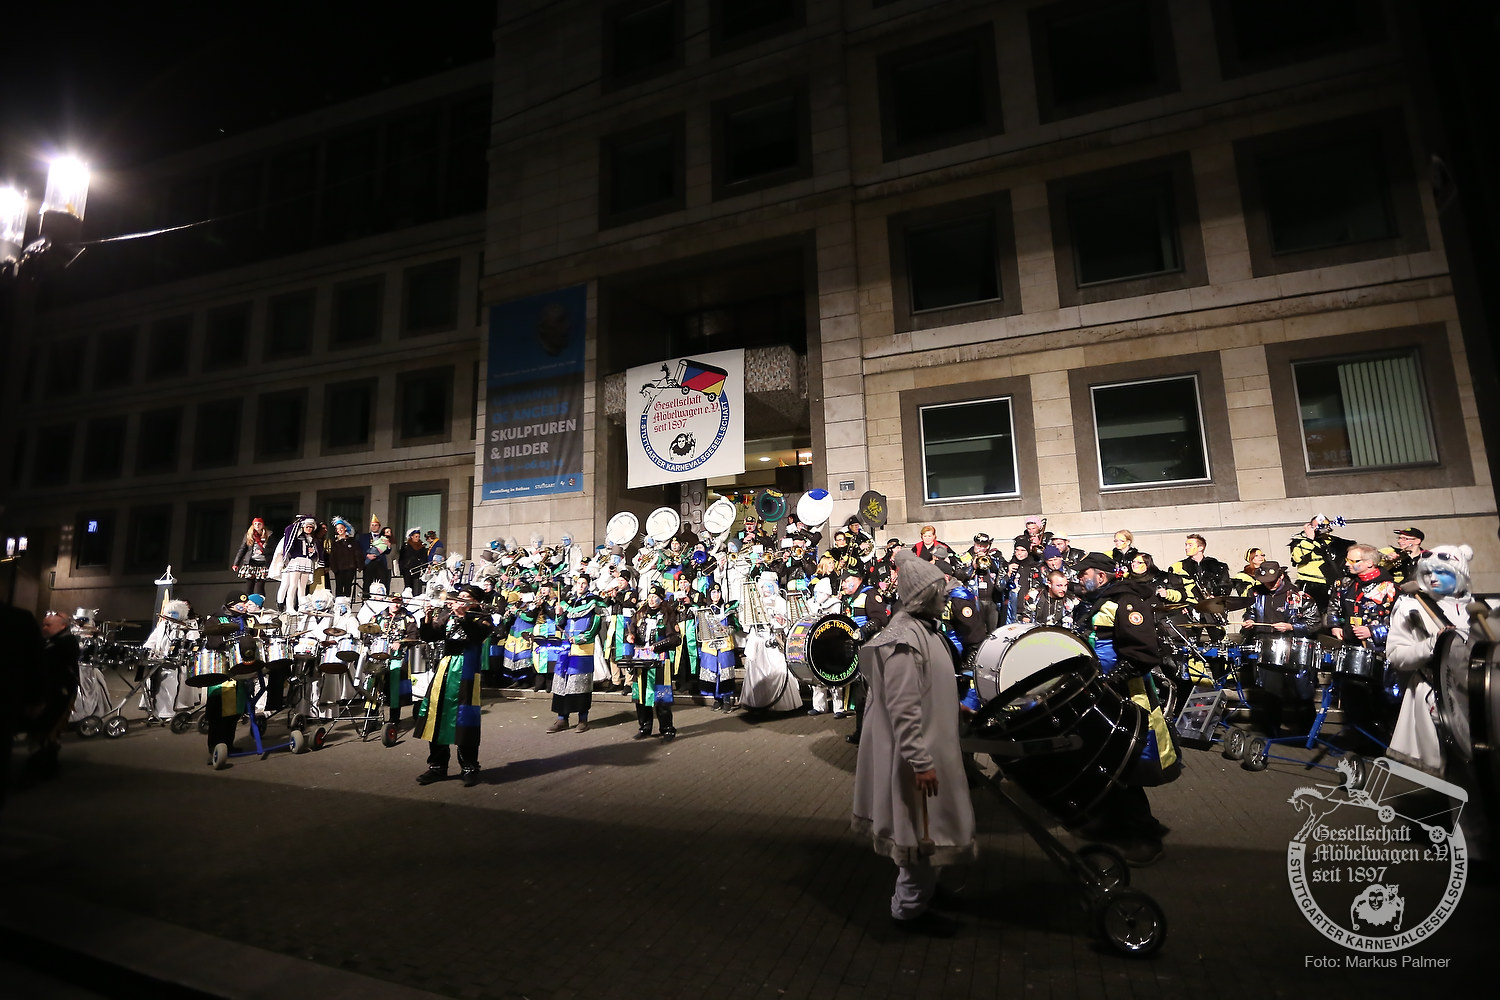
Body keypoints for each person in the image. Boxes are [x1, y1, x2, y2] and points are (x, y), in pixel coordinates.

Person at [851, 548, 977, 937]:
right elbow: (903, 708)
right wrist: (920, 762)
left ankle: (925, 893)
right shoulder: (904, 640)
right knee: (917, 831)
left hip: (929, 745)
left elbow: (928, 686)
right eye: (940, 592)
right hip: (914, 756)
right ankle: (907, 909)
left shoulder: (924, 630)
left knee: (929, 827)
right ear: (925, 596)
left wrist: (953, 704)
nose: (945, 598)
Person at [1072, 551, 1179, 866]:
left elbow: (1143, 654)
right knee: (1109, 768)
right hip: (1105, 697)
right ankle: (1119, 826)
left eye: (1084, 574)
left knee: (1127, 770)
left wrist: (1109, 681)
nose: (1079, 579)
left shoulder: (1125, 602)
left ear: (1101, 576)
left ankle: (1146, 839)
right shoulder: (1097, 602)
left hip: (1128, 698)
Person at [414, 584, 491, 787]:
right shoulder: (448, 616)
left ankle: (469, 767)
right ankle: (437, 767)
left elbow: (476, 636)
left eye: (466, 597)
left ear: (474, 602)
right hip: (445, 669)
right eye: (460, 595)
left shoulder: (482, 618)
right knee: (437, 715)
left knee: (465, 719)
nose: (459, 599)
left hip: (467, 672)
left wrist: (462, 616)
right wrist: (428, 616)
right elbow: (429, 636)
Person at [1240, 561, 1321, 737]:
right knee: (1271, 695)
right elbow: (1250, 612)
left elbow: (1315, 623)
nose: (1268, 585)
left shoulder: (1299, 595)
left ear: (1281, 576)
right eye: (1265, 582)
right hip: (1268, 649)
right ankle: (1272, 734)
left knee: (1302, 695)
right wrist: (1249, 621)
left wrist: (1291, 627)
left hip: (1295, 650)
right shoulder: (1255, 593)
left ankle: (1307, 735)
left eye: (1272, 581)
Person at [23, 611, 80, 783]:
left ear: (62, 626)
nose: (44, 628)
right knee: (43, 731)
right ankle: (45, 764)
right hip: (49, 691)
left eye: (48, 625)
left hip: (58, 693)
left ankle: (44, 767)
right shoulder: (51, 641)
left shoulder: (66, 643)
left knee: (46, 730)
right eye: (44, 624)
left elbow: (50, 665)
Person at [547, 577, 603, 733]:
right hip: (566, 648)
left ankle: (583, 719)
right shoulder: (569, 601)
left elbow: (595, 626)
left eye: (584, 583)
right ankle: (562, 719)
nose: (581, 585)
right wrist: (559, 614)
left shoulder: (594, 602)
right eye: (579, 583)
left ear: (588, 586)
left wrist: (579, 638)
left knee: (580, 685)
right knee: (562, 683)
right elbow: (560, 623)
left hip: (582, 650)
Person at [625, 584, 679, 739]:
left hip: (659, 660)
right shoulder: (640, 614)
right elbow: (630, 630)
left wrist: (657, 646)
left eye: (655, 597)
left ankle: (667, 729)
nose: (651, 600)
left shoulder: (668, 615)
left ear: (661, 599)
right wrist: (630, 636)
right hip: (641, 659)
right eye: (649, 597)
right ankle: (644, 727)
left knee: (661, 697)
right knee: (641, 696)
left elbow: (675, 639)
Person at [1288, 514, 1352, 614]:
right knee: (1310, 614)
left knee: (1335, 614)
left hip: (1333, 585)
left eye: (1324, 525)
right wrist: (1310, 539)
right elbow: (1298, 558)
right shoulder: (1300, 542)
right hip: (1310, 585)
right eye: (1317, 525)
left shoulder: (1338, 543)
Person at [268, 516, 323, 613]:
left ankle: (302, 606)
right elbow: (289, 545)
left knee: (302, 587)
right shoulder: (296, 538)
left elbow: (315, 555)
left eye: (311, 527)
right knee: (292, 585)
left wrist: (312, 552)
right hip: (296, 562)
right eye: (307, 527)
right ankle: (289, 607)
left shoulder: (313, 540)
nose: (309, 529)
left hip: (307, 562)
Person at [232, 517, 273, 596]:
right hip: (251, 563)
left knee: (260, 588)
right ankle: (249, 603)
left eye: (259, 524)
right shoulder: (249, 535)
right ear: (253, 525)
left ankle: (260, 603)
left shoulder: (269, 535)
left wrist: (263, 551)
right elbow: (242, 549)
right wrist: (236, 564)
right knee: (249, 587)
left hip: (263, 564)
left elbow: (273, 548)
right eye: (255, 524)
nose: (257, 525)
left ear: (262, 525)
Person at [327, 517, 360, 599]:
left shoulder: (352, 541)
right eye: (337, 529)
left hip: (350, 567)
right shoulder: (334, 542)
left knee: (348, 586)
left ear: (345, 528)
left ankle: (347, 603)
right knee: (339, 587)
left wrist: (359, 565)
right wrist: (334, 568)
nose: (340, 530)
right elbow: (332, 556)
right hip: (339, 568)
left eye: (341, 528)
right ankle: (339, 603)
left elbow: (357, 553)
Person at [398, 528, 429, 595]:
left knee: (416, 587)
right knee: (408, 587)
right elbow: (401, 558)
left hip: (417, 569)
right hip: (407, 569)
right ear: (412, 536)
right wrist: (402, 569)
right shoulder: (406, 546)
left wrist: (424, 568)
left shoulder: (422, 546)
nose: (417, 538)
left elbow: (424, 559)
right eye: (416, 536)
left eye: (418, 536)